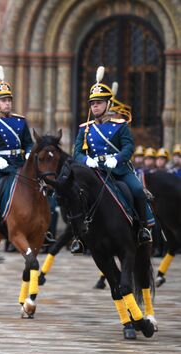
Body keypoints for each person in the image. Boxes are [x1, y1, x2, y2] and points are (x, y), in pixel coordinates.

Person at [73, 66, 151, 244]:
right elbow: (76, 152)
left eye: (99, 103)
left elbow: (128, 147)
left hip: (119, 170)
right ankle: (78, 235)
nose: (95, 106)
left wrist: (116, 159)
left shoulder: (120, 125)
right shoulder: (85, 129)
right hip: (95, 172)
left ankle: (143, 227)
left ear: (108, 104)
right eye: (92, 103)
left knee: (138, 190)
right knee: (76, 194)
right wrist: (87, 160)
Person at [0, 65, 33, 244]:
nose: (7, 103)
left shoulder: (20, 121)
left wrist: (29, 154)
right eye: (3, 100)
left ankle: (40, 226)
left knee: (36, 187)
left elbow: (28, 143)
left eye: (9, 100)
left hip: (18, 164)